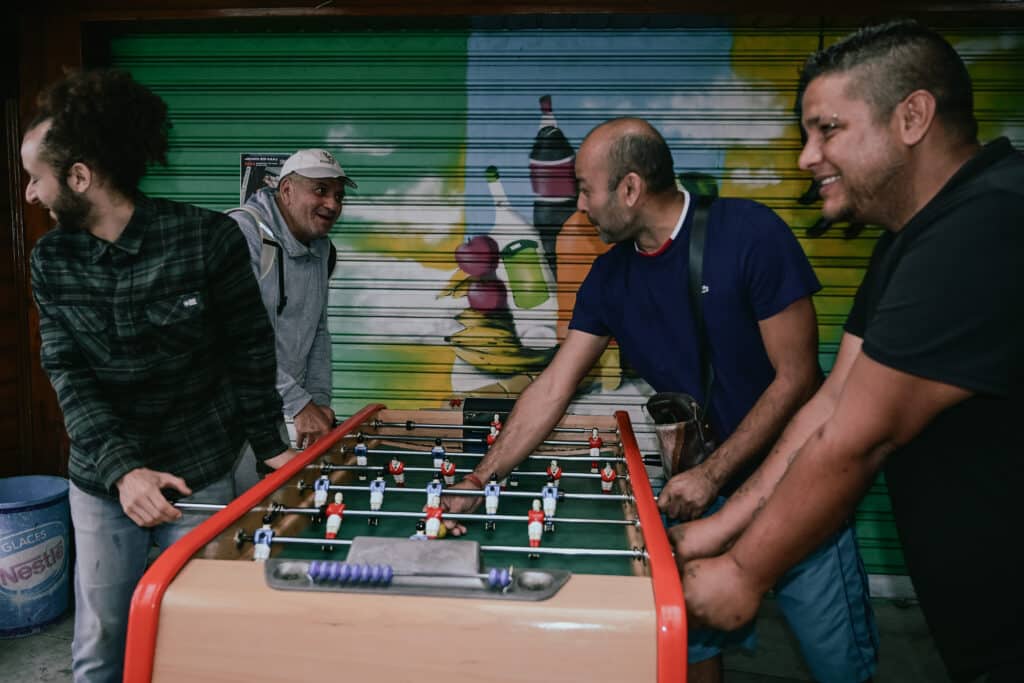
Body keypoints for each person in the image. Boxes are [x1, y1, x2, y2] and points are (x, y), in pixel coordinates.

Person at [442, 117, 878, 683]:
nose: (578, 206)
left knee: (837, 662)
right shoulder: (608, 276)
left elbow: (796, 378)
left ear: (629, 188)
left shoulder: (749, 233)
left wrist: (713, 475)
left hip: (796, 483)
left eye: (586, 189)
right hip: (702, 493)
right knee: (689, 649)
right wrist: (480, 477)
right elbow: (552, 386)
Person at [673, 20, 1024, 683]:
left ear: (912, 117)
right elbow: (832, 401)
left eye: (827, 129)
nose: (806, 158)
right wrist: (718, 530)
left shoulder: (989, 221)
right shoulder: (911, 238)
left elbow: (859, 438)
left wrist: (744, 572)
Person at [22, 69, 295, 683]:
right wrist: (125, 470)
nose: (31, 194)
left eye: (36, 177)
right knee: (101, 643)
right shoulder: (51, 259)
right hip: (102, 478)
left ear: (80, 177)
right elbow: (67, 372)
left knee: (197, 639)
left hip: (204, 465)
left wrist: (273, 448)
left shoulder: (207, 239)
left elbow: (250, 353)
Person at [230, 147, 356, 492]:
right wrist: (300, 404)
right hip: (224, 414)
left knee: (272, 506)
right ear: (286, 190)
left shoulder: (321, 249)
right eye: (320, 190)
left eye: (339, 196)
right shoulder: (241, 234)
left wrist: (319, 401)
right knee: (231, 516)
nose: (332, 204)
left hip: (271, 407)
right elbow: (233, 339)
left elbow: (318, 330)